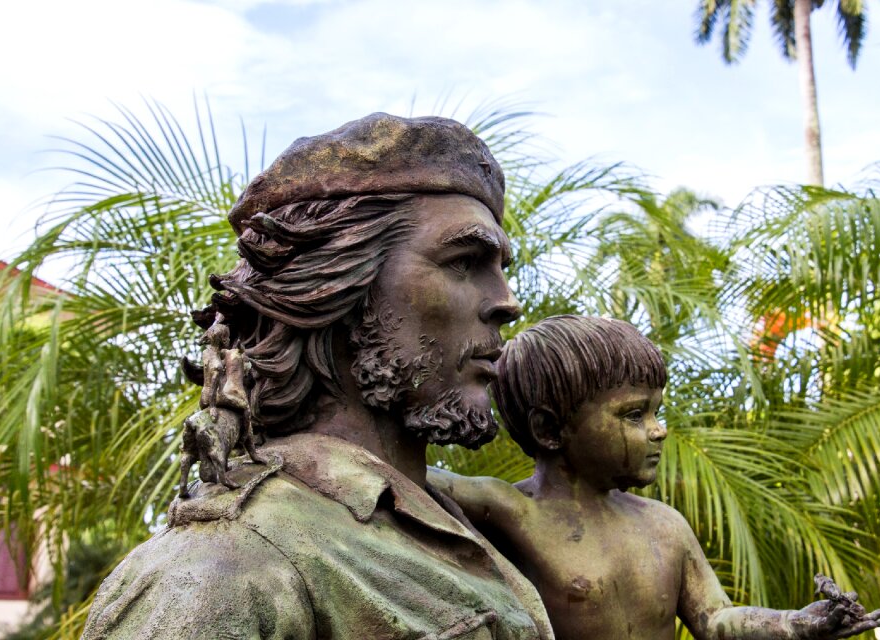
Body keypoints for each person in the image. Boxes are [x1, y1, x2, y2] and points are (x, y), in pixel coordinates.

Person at [82, 114, 554, 639]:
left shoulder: (450, 528)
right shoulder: (224, 569)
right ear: (335, 283)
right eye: (465, 261)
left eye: (502, 268)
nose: (506, 302)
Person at [429, 315, 880, 640]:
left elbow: (716, 621)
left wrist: (795, 623)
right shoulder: (512, 512)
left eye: (656, 411)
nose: (659, 429)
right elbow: (391, 468)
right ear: (550, 429)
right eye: (633, 414)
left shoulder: (664, 526)